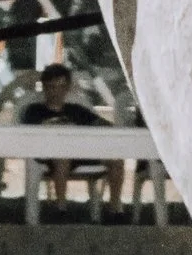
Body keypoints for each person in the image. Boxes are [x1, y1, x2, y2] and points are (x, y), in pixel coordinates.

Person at [18, 63, 122, 215]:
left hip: (82, 153)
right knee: (62, 158)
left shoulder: (76, 110)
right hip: (48, 156)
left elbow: (101, 123)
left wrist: (107, 128)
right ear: (45, 87)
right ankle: (61, 210)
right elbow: (28, 134)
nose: (56, 91)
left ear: (67, 88)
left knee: (117, 161)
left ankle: (115, 210)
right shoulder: (34, 110)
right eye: (51, 86)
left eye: (61, 86)